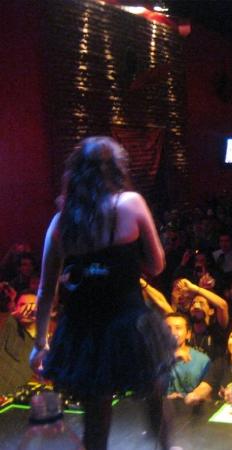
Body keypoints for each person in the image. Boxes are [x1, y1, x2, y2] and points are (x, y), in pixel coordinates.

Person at [29, 136, 176, 450]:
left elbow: (45, 290)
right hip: (129, 322)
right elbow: (157, 264)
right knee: (153, 389)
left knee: (95, 415)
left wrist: (40, 344)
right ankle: (166, 447)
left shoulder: (61, 222)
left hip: (84, 329)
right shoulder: (130, 203)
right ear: (117, 169)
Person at [165, 313, 211, 402]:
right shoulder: (152, 357)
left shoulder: (202, 360)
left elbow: (208, 395)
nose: (172, 332)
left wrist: (189, 397)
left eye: (178, 328)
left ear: (188, 334)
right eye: (167, 328)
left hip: (190, 407)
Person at [0, 290, 37, 393]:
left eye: (33, 306)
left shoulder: (42, 344)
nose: (27, 309)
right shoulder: (8, 324)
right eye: (22, 305)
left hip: (9, 398)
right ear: (16, 307)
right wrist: (12, 315)